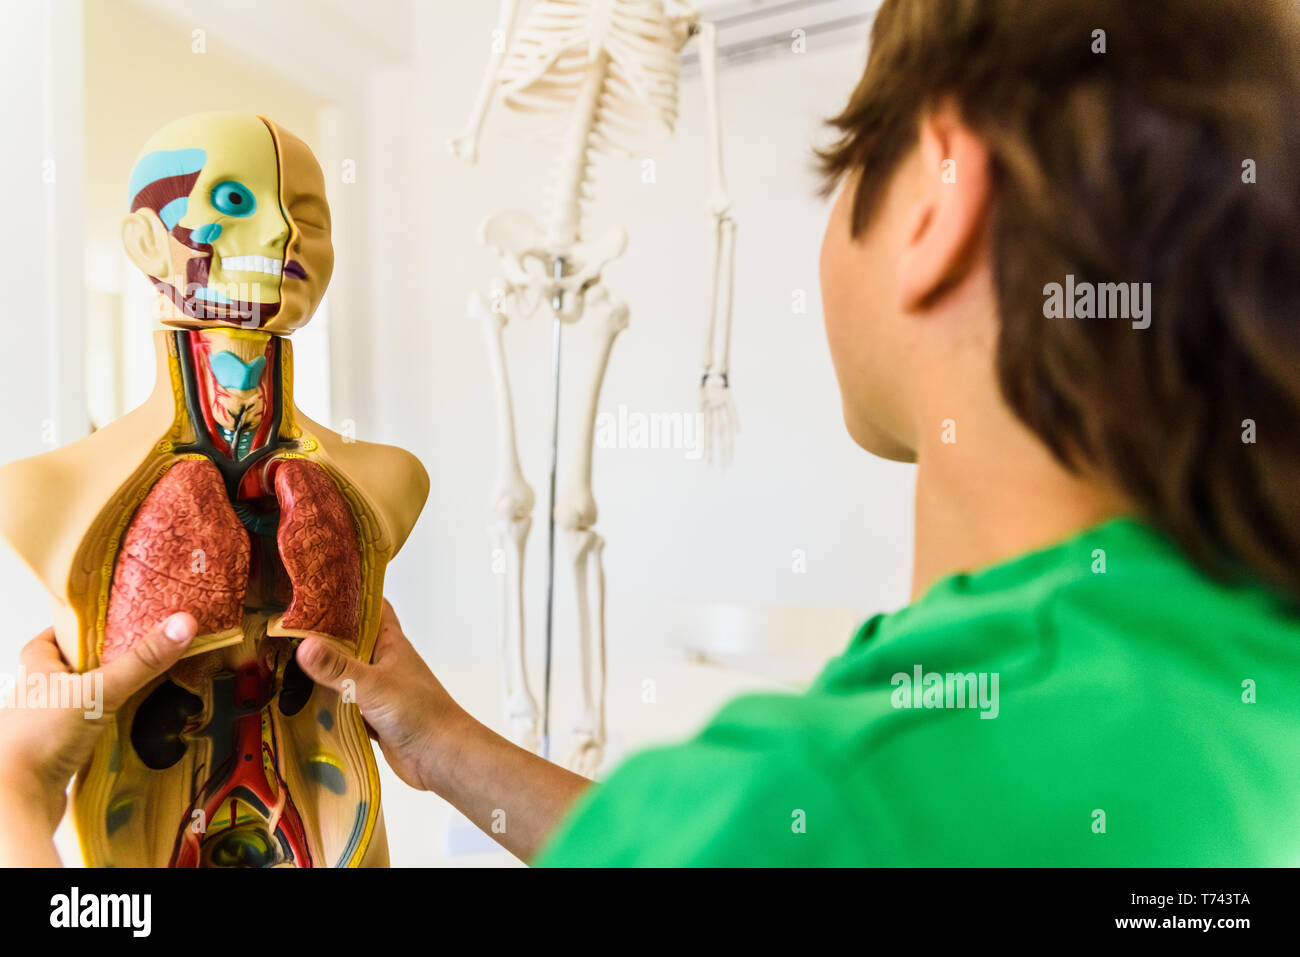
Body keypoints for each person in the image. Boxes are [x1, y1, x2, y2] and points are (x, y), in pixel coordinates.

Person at [3, 0, 1299, 866]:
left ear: (938, 203)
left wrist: (15, 803)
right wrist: (444, 742)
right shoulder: (1247, 670)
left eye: (849, 157)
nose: (281, 244)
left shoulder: (835, 792)